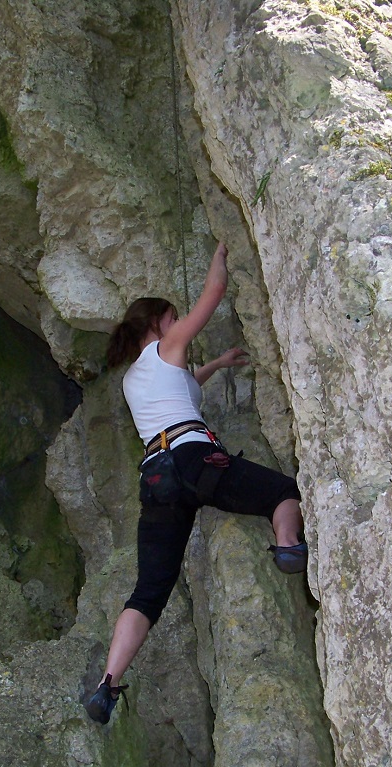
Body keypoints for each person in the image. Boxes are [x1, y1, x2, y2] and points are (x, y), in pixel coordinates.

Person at [84, 242, 307, 725]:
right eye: (175, 317)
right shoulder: (167, 348)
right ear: (161, 322)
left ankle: (108, 683)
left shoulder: (134, 379)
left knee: (148, 592)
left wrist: (216, 366)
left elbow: (183, 385)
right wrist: (220, 254)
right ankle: (289, 547)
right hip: (194, 456)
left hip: (158, 478)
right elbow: (216, 290)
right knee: (282, 492)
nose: (179, 322)